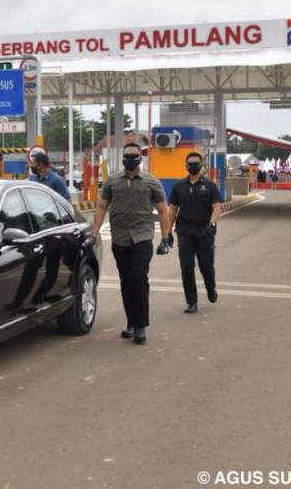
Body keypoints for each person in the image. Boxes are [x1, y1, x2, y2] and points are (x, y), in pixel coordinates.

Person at [90, 142, 172, 345]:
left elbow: (163, 211)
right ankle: (131, 322)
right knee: (126, 281)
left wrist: (165, 238)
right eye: (127, 156)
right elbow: (101, 207)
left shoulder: (152, 182)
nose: (130, 159)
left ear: (139, 159)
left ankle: (140, 325)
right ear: (123, 158)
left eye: (134, 156)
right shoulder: (112, 181)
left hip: (142, 237)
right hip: (119, 238)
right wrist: (94, 232)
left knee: (138, 277)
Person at [168, 152, 223, 314]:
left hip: (205, 232)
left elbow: (216, 207)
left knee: (206, 266)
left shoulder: (210, 185)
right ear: (186, 166)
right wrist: (168, 232)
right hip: (184, 232)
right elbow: (172, 209)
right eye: (190, 163)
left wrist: (212, 223)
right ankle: (191, 301)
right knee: (186, 267)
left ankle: (211, 288)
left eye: (195, 163)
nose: (193, 166)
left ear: (201, 165)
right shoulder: (178, 187)